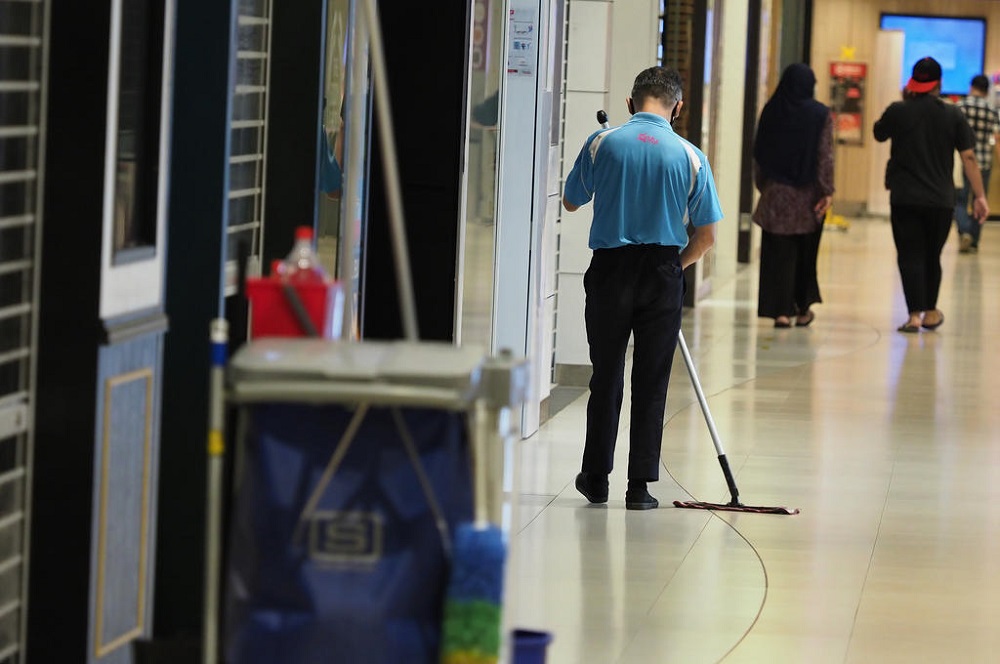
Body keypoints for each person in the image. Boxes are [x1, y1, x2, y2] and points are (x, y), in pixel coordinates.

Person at [562, 66, 723, 510]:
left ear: (631, 104)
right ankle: (640, 487)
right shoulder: (691, 156)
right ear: (678, 108)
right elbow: (707, 236)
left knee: (606, 375)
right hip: (662, 272)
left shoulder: (603, 142)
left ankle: (596, 477)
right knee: (652, 381)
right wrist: (674, 266)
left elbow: (572, 200)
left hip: (610, 271)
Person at [873, 57, 989, 333]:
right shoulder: (953, 114)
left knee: (909, 254)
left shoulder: (898, 111)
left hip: (905, 198)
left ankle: (914, 315)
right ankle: (931, 312)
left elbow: (879, 133)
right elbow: (969, 157)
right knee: (931, 255)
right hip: (940, 199)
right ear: (940, 83)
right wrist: (980, 196)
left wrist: (903, 101)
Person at [752, 63, 834, 328]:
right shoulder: (820, 114)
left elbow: (759, 154)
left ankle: (780, 312)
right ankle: (802, 308)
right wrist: (826, 191)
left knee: (777, 256)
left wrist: (764, 187)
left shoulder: (772, 110)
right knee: (805, 255)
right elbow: (825, 156)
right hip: (808, 198)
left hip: (776, 195)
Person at [954, 74, 1000, 253]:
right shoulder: (991, 110)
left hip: (964, 161)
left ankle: (964, 231)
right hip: (984, 162)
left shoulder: (960, 107)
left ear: (971, 86)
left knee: (961, 199)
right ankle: (974, 240)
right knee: (980, 200)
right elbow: (996, 139)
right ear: (987, 90)